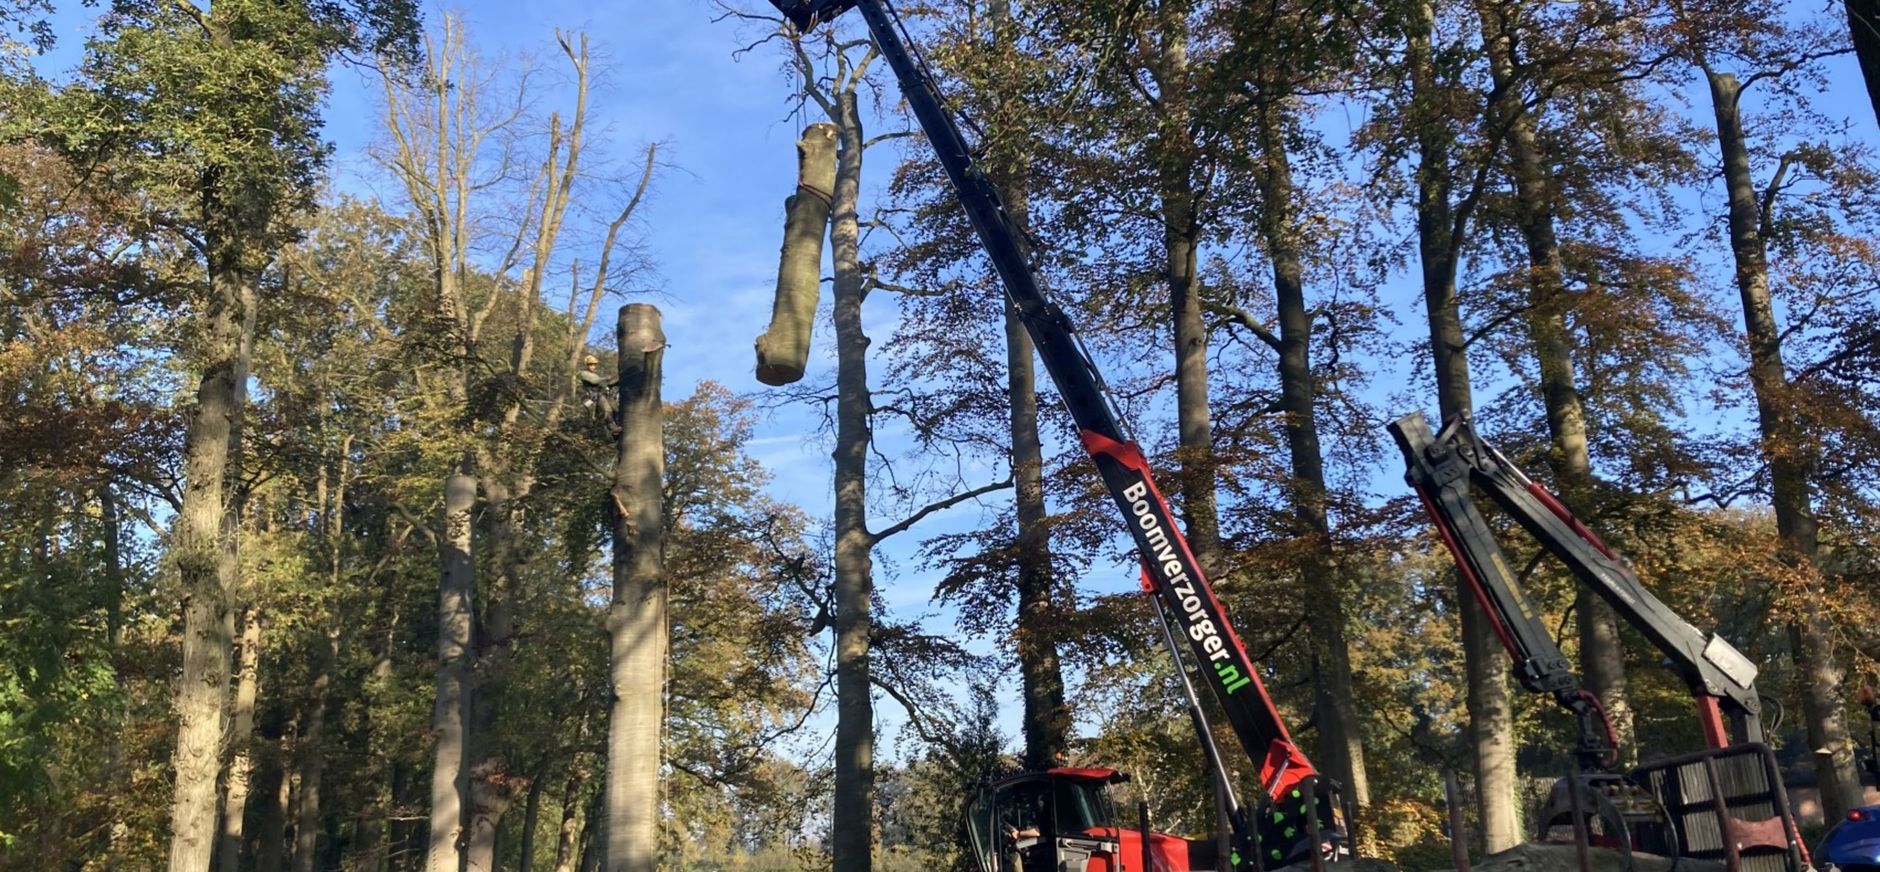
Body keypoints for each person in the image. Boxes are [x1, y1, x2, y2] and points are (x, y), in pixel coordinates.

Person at [578, 354, 620, 438]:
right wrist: (605, 378)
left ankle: (616, 430)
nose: (592, 366)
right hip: (594, 397)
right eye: (590, 364)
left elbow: (605, 384)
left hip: (602, 394)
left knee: (615, 409)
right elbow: (594, 381)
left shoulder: (596, 375)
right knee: (607, 410)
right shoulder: (584, 373)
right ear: (586, 365)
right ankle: (613, 428)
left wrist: (616, 381)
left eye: (594, 364)